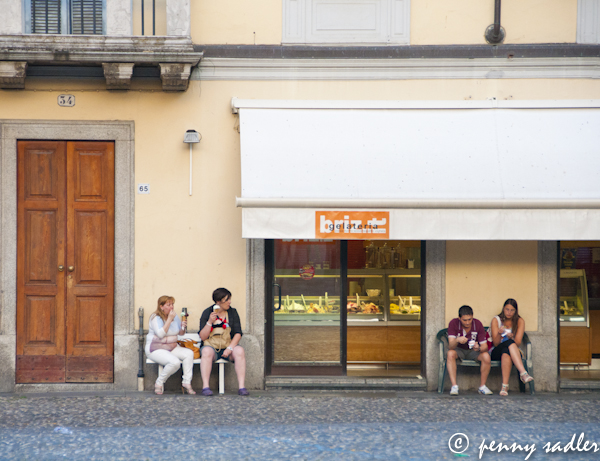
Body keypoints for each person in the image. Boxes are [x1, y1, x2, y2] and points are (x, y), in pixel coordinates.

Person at [198, 288, 249, 396]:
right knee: (206, 352)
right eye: (226, 300)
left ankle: (242, 387)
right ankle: (205, 387)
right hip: (211, 347)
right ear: (218, 301)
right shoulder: (207, 312)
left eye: (229, 299)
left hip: (227, 346)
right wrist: (209, 322)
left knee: (239, 351)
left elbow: (238, 333)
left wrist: (230, 348)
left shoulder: (232, 312)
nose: (229, 302)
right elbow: (202, 337)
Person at [145, 296, 196, 395]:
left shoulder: (175, 316)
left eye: (172, 304)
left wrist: (183, 327)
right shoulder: (155, 317)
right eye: (168, 305)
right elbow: (160, 334)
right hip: (155, 349)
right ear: (161, 306)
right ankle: (159, 383)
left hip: (171, 347)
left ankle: (186, 382)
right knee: (175, 362)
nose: (171, 307)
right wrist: (169, 320)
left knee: (189, 353)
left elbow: (180, 333)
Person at [489, 298, 534, 396]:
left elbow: (517, 342)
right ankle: (523, 373)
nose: (509, 312)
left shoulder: (519, 321)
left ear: (515, 311)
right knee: (506, 345)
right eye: (507, 309)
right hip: (496, 351)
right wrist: (500, 335)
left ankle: (504, 387)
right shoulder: (496, 320)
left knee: (506, 351)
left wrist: (512, 337)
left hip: (512, 351)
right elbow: (496, 343)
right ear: (503, 309)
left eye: (512, 310)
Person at [446, 305, 492, 396]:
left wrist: (478, 347)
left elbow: (485, 347)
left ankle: (482, 386)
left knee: (486, 356)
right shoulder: (453, 323)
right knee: (450, 354)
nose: (467, 322)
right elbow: (450, 346)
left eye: (470, 319)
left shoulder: (477, 324)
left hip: (473, 351)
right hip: (458, 350)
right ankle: (454, 386)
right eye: (464, 320)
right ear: (459, 318)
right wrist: (457, 340)